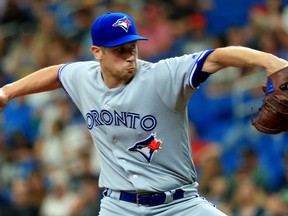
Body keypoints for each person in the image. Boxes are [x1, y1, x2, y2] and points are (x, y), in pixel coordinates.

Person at [0, 12, 287, 216]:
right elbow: (58, 74)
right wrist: (9, 91)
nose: (130, 56)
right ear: (97, 52)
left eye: (133, 47)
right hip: (118, 206)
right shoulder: (83, 76)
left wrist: (269, 60)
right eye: (120, 50)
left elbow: (217, 57)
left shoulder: (162, 76)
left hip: (178, 204)